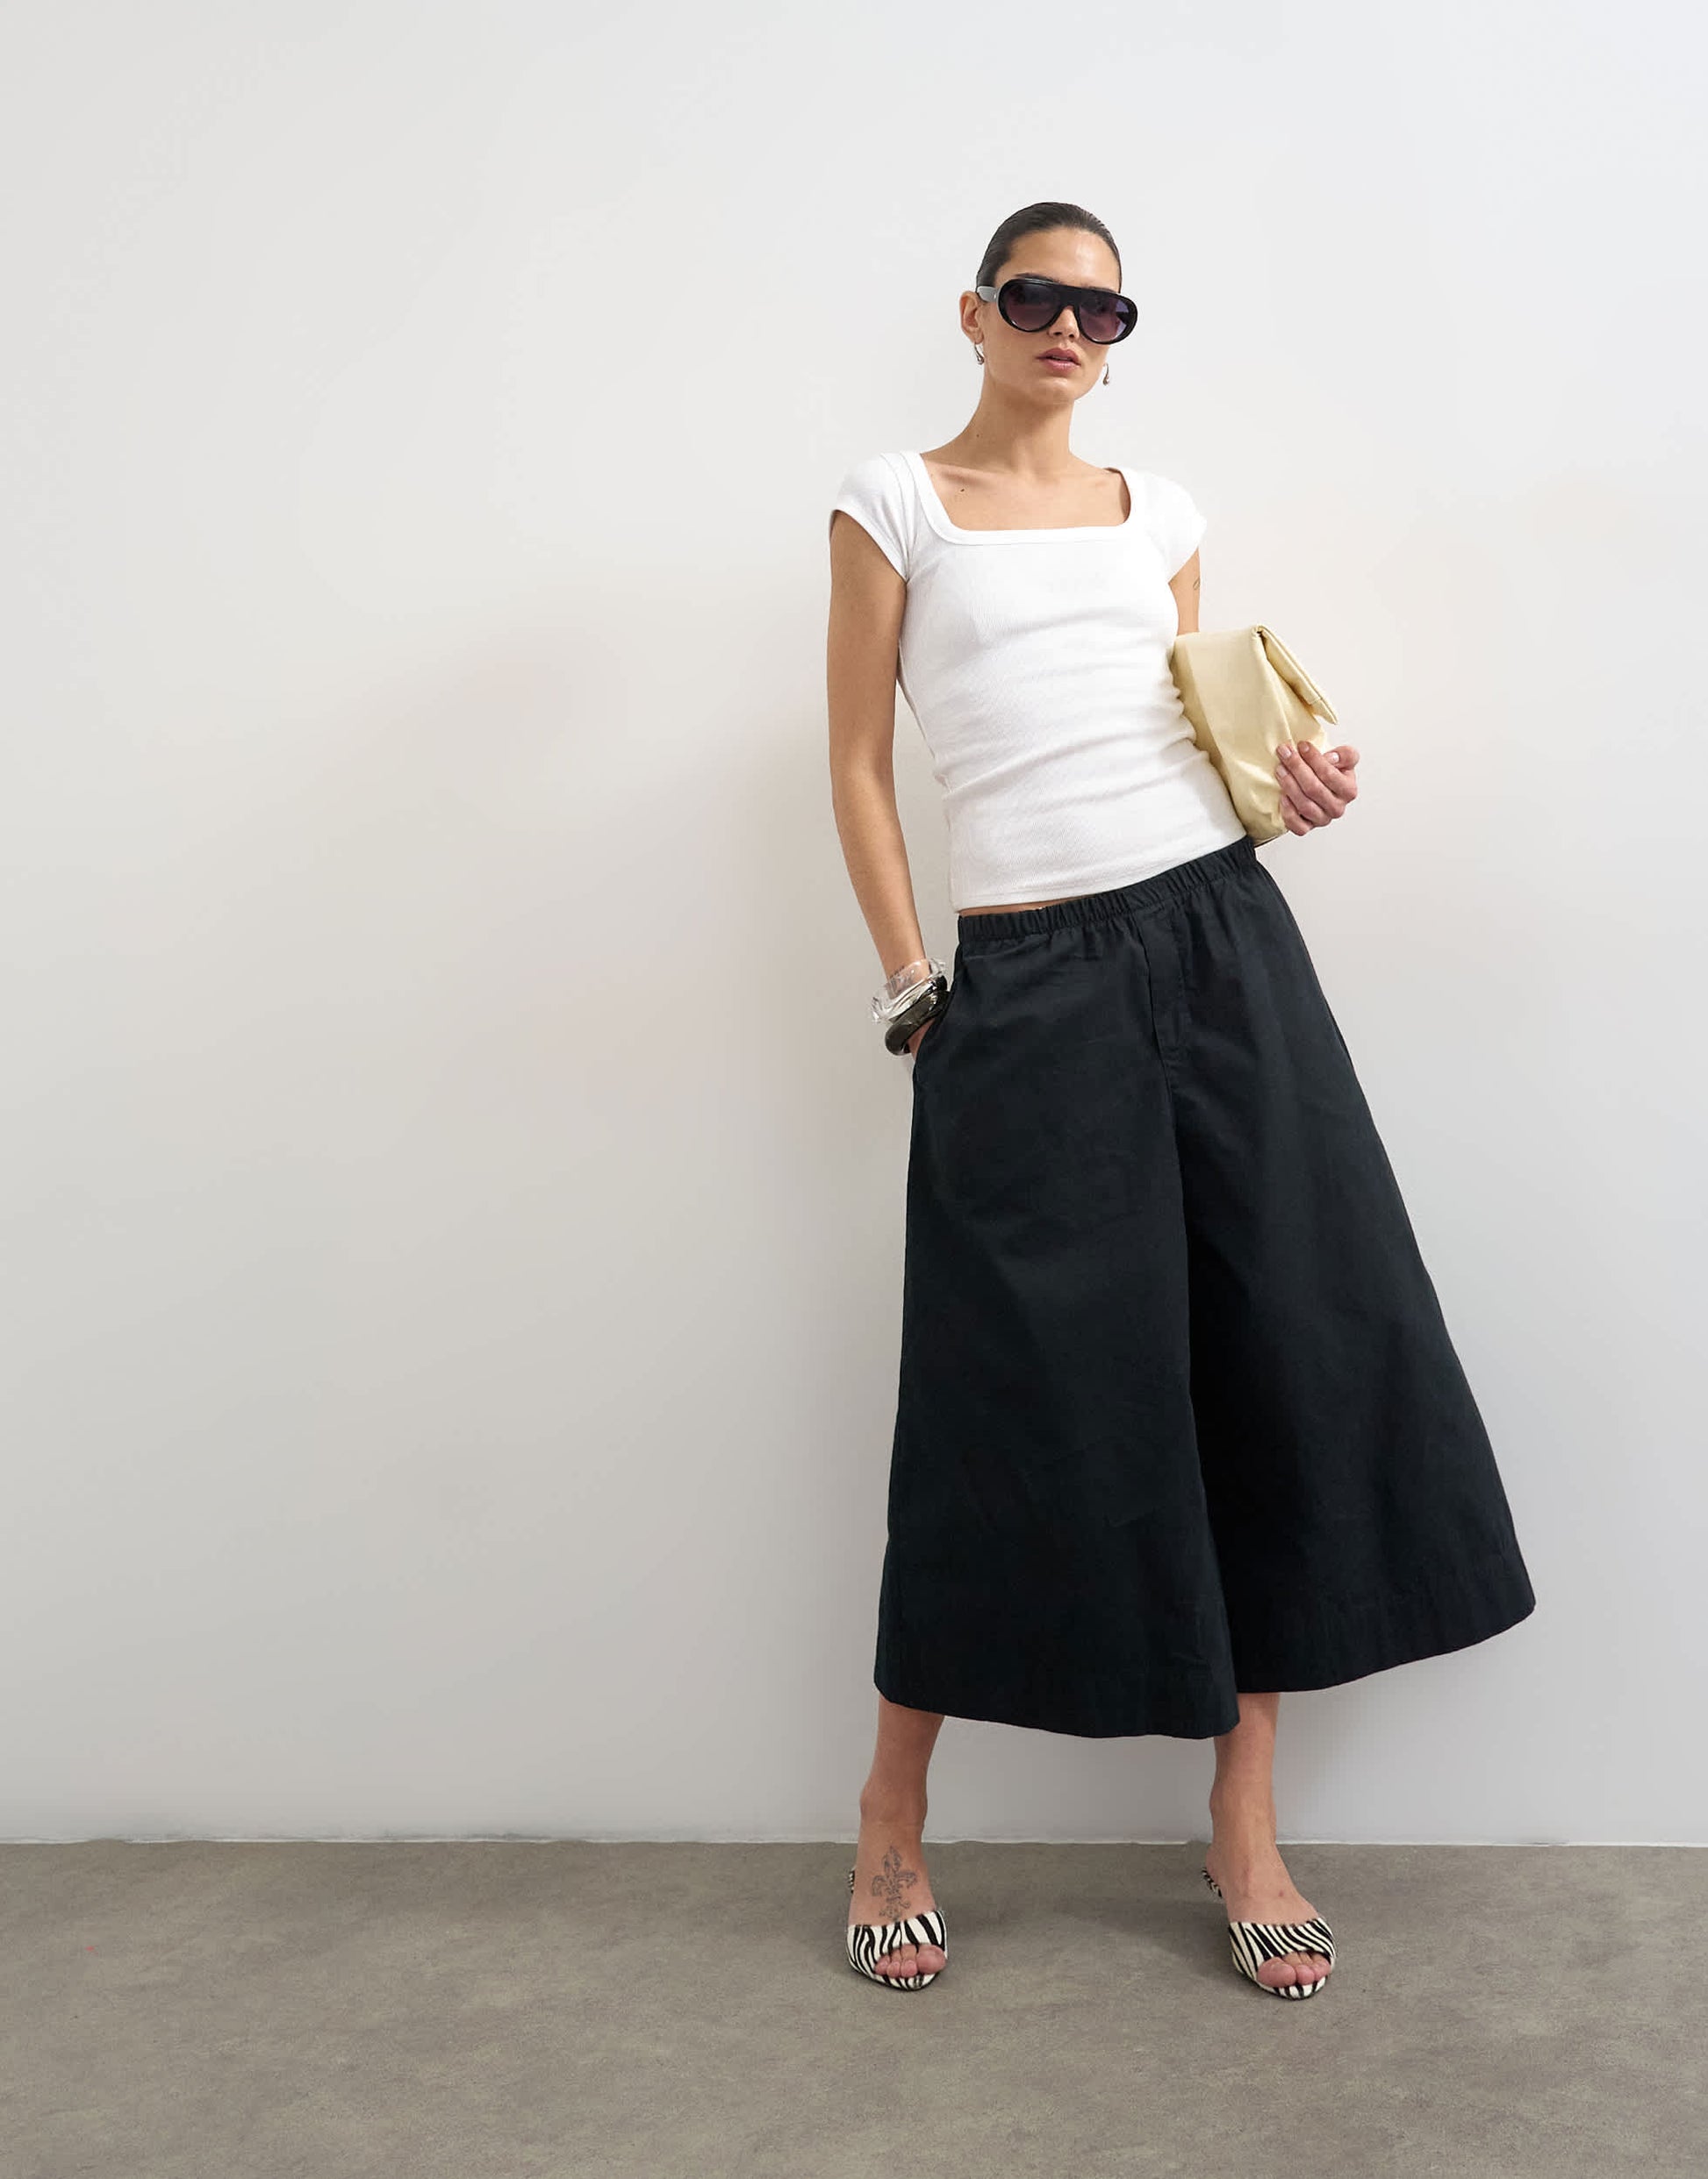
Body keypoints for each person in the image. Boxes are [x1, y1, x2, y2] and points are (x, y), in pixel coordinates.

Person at [825, 201, 1537, 1998]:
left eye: (1103, 308)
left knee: (1276, 1347)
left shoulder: (1163, 515)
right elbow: (854, 759)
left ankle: (1243, 1818)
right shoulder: (893, 504)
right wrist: (915, 991)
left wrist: (1294, 784)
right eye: (1036, 298)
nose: (1069, 329)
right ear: (974, 313)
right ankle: (892, 1811)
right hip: (1023, 973)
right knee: (1003, 1385)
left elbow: (1206, 743)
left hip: (1221, 939)